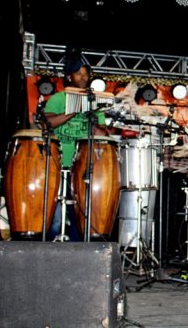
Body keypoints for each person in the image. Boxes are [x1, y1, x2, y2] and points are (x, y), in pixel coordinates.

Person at [43, 52, 109, 240]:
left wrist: (94, 120)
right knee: (56, 219)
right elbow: (48, 124)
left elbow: (104, 136)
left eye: (86, 74)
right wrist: (74, 110)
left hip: (82, 169)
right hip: (59, 165)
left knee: (81, 218)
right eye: (78, 73)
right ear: (69, 76)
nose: (83, 77)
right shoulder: (58, 99)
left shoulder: (94, 102)